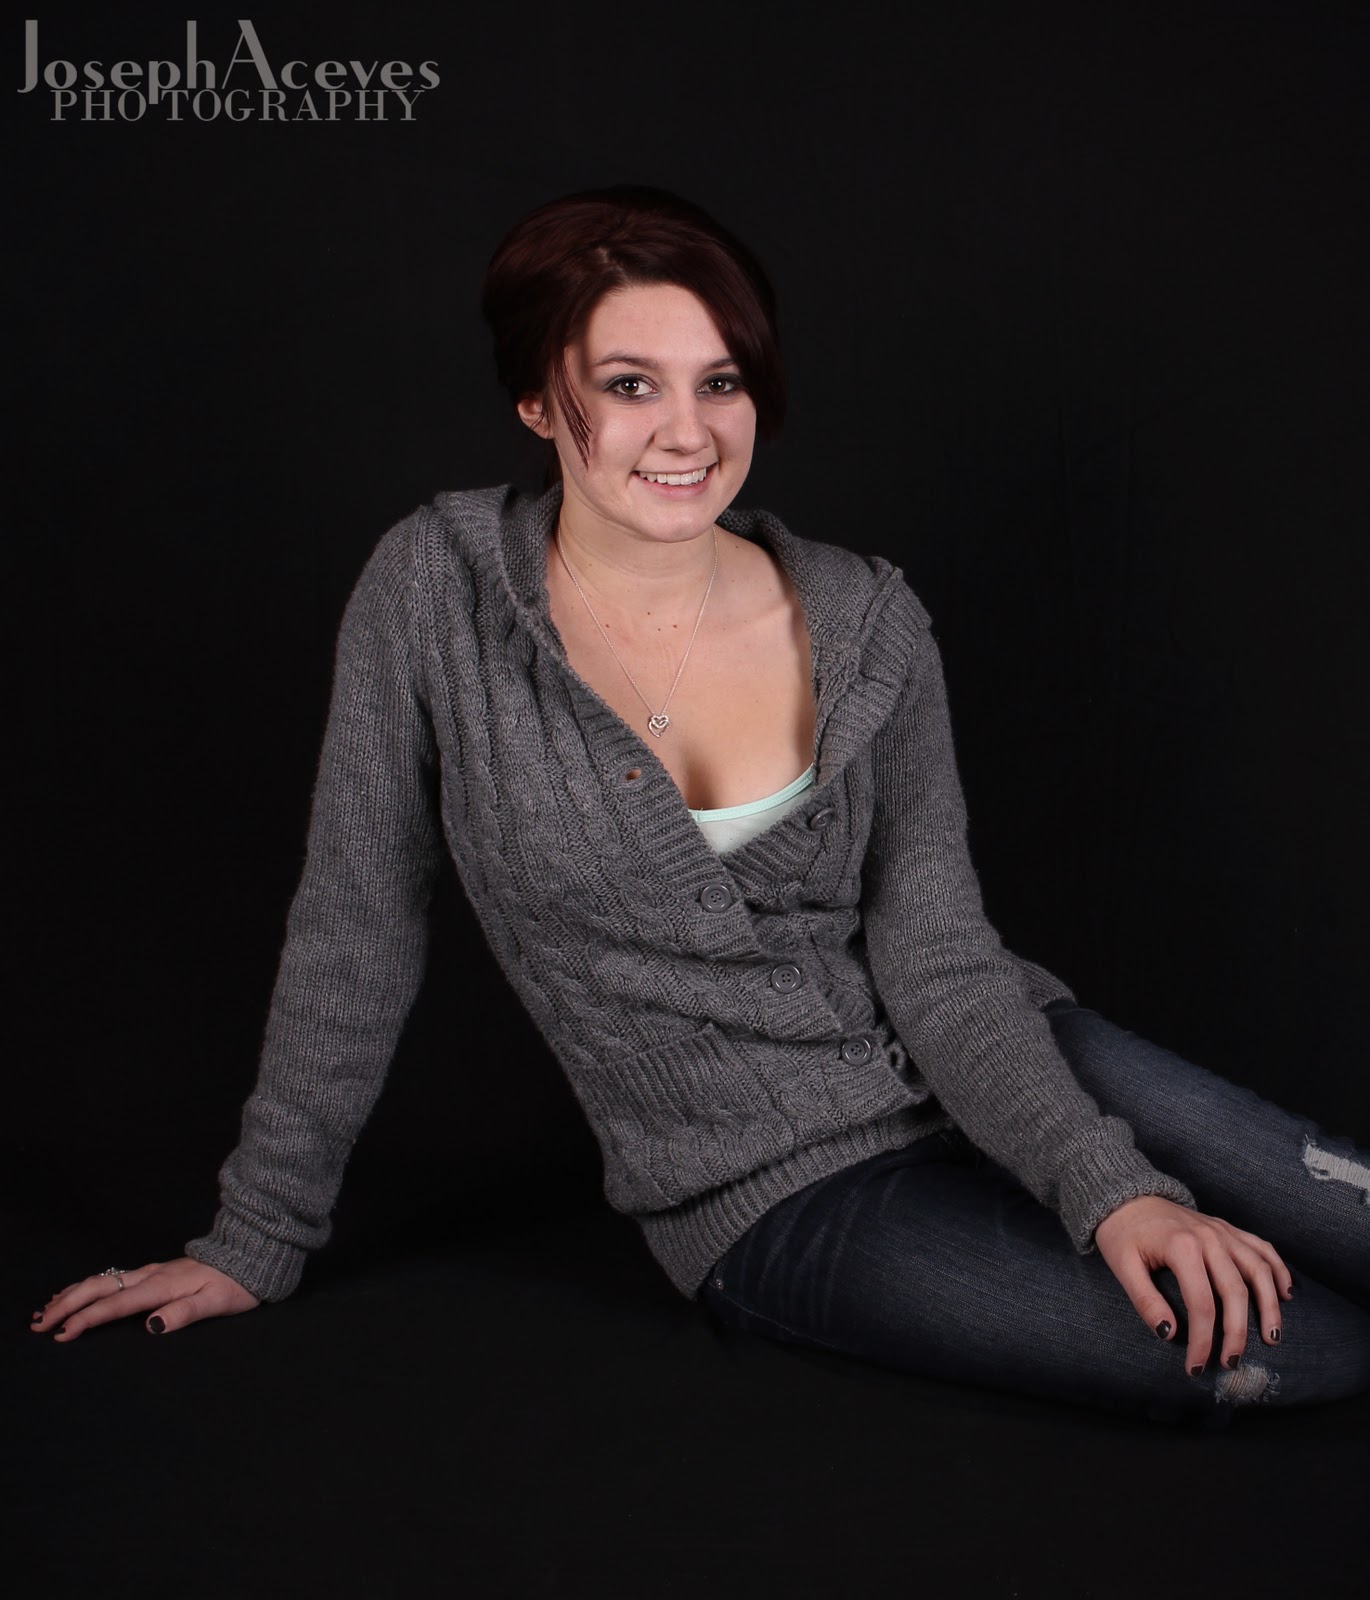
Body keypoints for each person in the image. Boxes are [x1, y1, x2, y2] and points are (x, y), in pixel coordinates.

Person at [31, 184, 1370, 1427]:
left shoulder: (868, 619)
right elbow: (356, 925)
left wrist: (1109, 1187)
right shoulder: (432, 595)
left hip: (1002, 1056)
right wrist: (256, 1237)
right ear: (537, 401)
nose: (688, 432)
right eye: (630, 385)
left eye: (719, 381)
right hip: (774, 1191)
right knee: (1297, 1349)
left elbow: (941, 957)